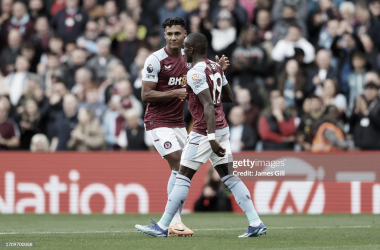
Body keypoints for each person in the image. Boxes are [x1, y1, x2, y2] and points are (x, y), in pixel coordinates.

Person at [135, 32, 266, 238]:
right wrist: (219, 77)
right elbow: (229, 97)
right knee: (230, 177)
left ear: (192, 49)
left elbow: (208, 106)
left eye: (185, 47)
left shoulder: (196, 72)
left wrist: (211, 137)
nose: (183, 51)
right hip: (222, 128)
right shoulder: (214, 67)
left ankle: (162, 227)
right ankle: (255, 222)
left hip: (205, 132)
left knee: (182, 176)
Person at [140, 17, 229, 236]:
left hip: (179, 123)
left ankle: (170, 223)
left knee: (182, 172)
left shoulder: (189, 60)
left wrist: (219, 69)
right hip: (157, 122)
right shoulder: (155, 60)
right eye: (169, 34)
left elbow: (209, 84)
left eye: (177, 34)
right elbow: (145, 94)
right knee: (180, 165)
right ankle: (174, 222)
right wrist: (175, 92)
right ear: (164, 36)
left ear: (184, 34)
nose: (173, 38)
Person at [349, 82, 380, 150]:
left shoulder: (378, 105)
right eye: (367, 90)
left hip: (375, 146)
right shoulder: (359, 103)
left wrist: (367, 113)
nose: (369, 93)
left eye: (372, 90)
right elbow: (350, 122)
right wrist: (356, 111)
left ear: (377, 91)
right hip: (359, 146)